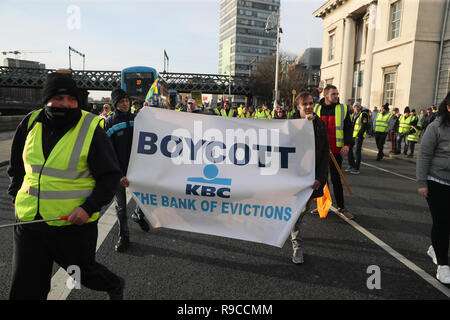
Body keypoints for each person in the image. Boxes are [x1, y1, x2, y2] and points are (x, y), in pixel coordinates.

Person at [7, 70, 125, 300]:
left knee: (83, 275)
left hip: (73, 225)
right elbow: (16, 167)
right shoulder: (30, 123)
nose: (66, 104)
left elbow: (110, 176)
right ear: (46, 100)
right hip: (31, 223)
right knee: (24, 288)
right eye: (58, 99)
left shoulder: (91, 129)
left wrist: (88, 208)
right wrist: (15, 197)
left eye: (71, 99)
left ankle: (114, 284)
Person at [105, 88, 151, 253]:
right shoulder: (109, 123)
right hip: (119, 172)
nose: (125, 104)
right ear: (115, 104)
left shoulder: (137, 119)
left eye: (127, 101)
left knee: (145, 198)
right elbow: (107, 151)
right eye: (121, 101)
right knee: (121, 206)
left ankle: (138, 215)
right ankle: (124, 235)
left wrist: (151, 110)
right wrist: (117, 173)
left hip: (137, 170)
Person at [290, 92, 329, 264]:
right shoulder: (288, 124)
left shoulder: (319, 125)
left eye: (310, 103)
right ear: (298, 107)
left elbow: (324, 155)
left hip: (310, 180)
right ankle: (297, 246)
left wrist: (320, 178)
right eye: (304, 104)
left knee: (302, 211)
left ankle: (291, 234)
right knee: (294, 214)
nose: (308, 107)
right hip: (291, 179)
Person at [416, 92, 450, 284]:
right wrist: (421, 183)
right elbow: (424, 156)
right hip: (436, 181)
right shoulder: (435, 127)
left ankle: (434, 248)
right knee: (442, 222)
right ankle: (443, 266)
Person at [314, 84, 354, 220]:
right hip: (319, 151)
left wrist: (347, 145)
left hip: (336, 150)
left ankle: (341, 207)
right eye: (333, 94)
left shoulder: (342, 108)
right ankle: (321, 205)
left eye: (337, 94)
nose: (337, 96)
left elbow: (349, 128)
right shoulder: (316, 108)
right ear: (325, 95)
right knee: (319, 179)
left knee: (336, 179)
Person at [346, 102, 369, 174]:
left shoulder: (363, 114)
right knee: (349, 150)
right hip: (352, 136)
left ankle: (356, 168)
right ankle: (351, 165)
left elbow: (364, 125)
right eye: (355, 107)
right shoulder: (353, 115)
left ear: (359, 107)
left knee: (357, 151)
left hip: (359, 136)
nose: (356, 108)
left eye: (357, 107)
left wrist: (360, 134)